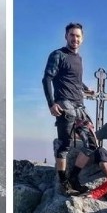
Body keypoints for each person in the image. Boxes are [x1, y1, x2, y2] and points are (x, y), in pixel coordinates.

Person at [42, 22, 96, 194]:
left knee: (92, 144)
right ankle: (64, 183)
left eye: (78, 36)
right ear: (66, 36)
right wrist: (51, 103)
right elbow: (47, 79)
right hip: (65, 104)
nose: (75, 39)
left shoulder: (79, 59)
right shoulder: (58, 55)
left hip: (80, 106)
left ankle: (74, 177)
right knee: (64, 145)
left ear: (82, 39)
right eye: (72, 35)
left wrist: (85, 88)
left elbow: (75, 80)